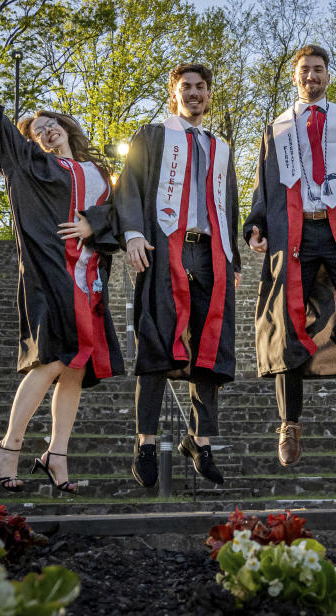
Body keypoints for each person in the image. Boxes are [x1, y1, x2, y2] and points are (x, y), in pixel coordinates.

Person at [0, 50, 124, 495]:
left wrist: (94, 224)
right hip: (50, 274)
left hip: (90, 281)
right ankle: (8, 447)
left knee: (74, 369)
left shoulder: (101, 172)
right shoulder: (30, 165)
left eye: (52, 124)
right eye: (37, 130)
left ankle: (56, 456)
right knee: (49, 361)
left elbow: (122, 217)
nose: (46, 131)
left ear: (67, 127)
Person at [244, 44, 336, 467]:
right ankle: (289, 424)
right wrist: (255, 224)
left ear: (328, 75)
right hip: (295, 231)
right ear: (295, 77)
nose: (311, 76)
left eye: (318, 69)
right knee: (287, 321)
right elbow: (263, 183)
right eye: (304, 70)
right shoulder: (278, 128)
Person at [115, 63, 240, 488]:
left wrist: (232, 258)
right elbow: (127, 186)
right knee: (156, 341)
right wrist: (132, 233)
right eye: (185, 87)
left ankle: (200, 442)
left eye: (201, 87)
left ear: (209, 94)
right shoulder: (152, 136)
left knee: (210, 346)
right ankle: (145, 442)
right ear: (174, 93)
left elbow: (230, 206)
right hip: (163, 246)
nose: (193, 93)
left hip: (211, 252)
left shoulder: (221, 147)